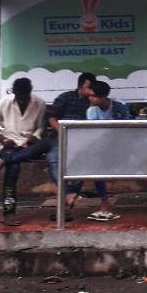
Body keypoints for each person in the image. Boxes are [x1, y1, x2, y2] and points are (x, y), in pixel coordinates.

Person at [0, 77, 51, 226]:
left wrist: (33, 137)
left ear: (30, 93)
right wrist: (2, 139)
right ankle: (9, 213)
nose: (21, 101)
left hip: (29, 146)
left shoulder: (39, 103)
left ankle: (1, 163)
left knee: (46, 144)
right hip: (8, 145)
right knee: (13, 169)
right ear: (14, 94)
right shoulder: (3, 103)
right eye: (19, 97)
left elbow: (40, 127)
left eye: (24, 97)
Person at [47, 72, 109, 222]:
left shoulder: (93, 104)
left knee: (84, 160)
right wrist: (62, 131)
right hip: (62, 136)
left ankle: (67, 203)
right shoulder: (66, 97)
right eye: (89, 87)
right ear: (82, 85)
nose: (91, 92)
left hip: (85, 140)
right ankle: (68, 193)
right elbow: (52, 118)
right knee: (53, 158)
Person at [80, 80, 130, 221]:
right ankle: (104, 200)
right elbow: (94, 134)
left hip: (122, 146)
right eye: (89, 96)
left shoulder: (120, 106)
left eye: (93, 96)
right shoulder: (91, 111)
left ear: (103, 96)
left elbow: (128, 129)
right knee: (95, 166)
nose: (90, 99)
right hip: (102, 148)